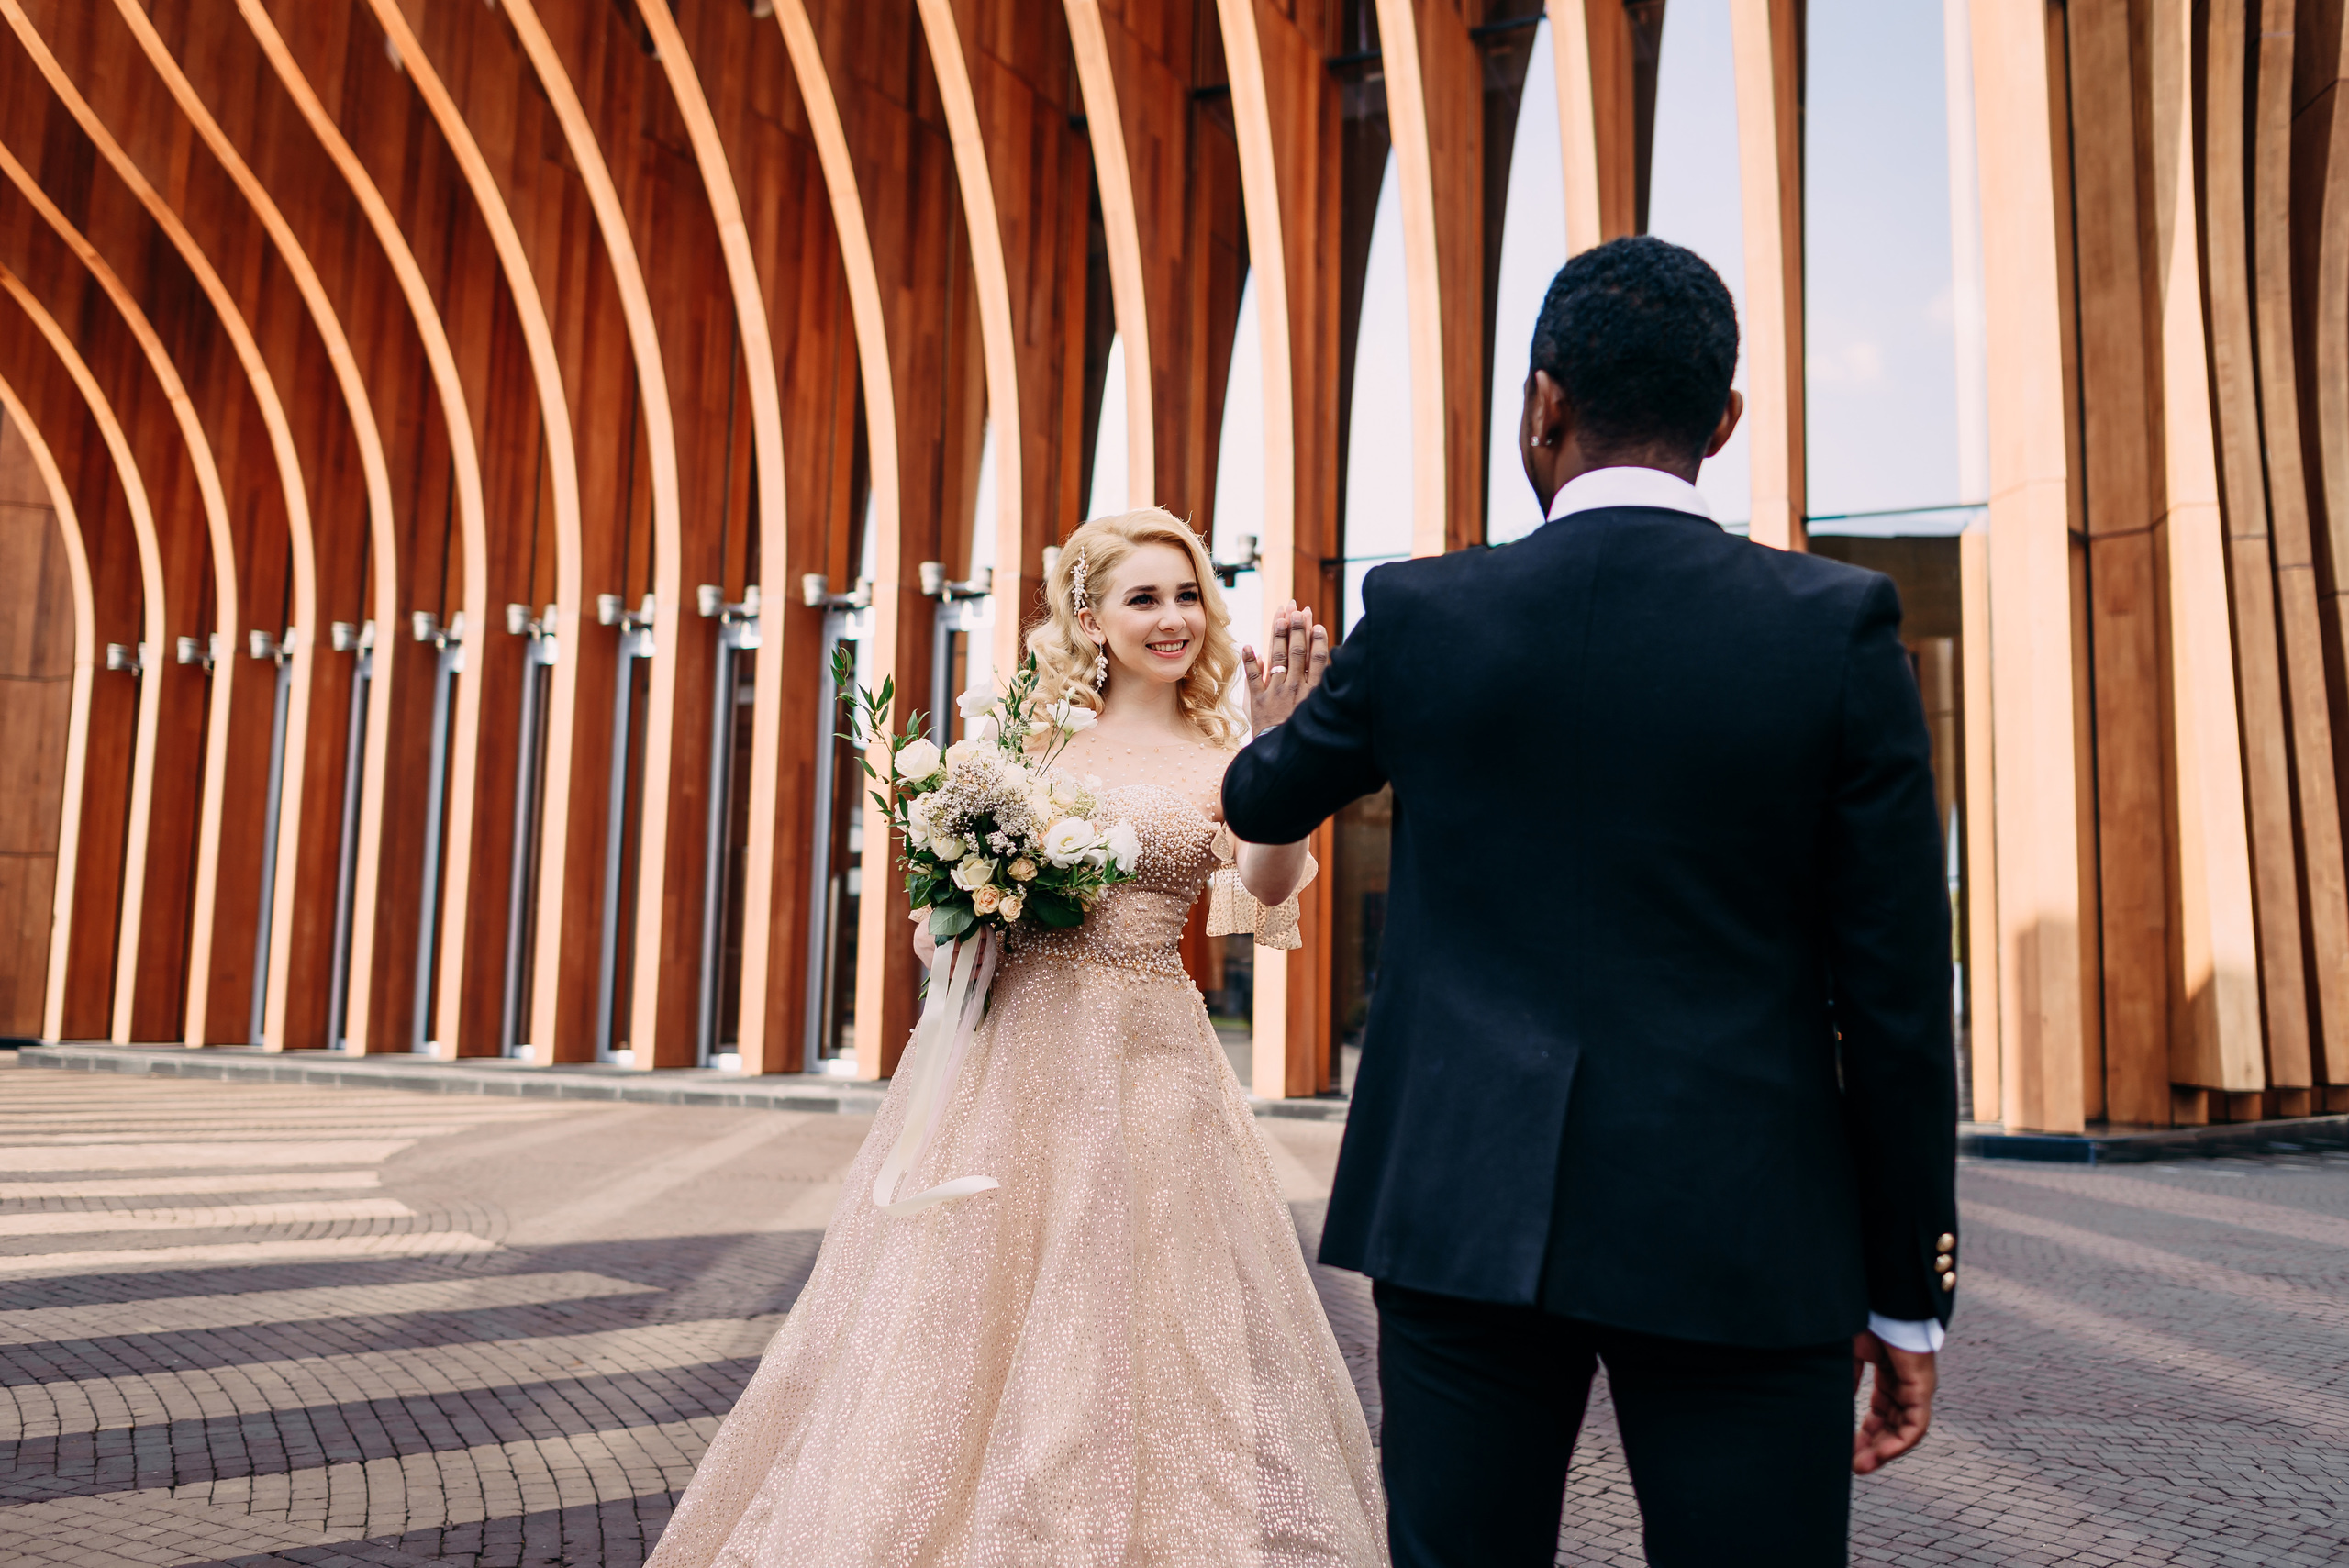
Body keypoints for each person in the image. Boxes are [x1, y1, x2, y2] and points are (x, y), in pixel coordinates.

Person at [1221, 235, 1960, 1567]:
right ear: (1723, 421)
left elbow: (1264, 802)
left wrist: (1277, 720)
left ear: (1542, 402)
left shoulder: (1427, 613)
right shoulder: (1834, 627)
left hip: (1460, 1216)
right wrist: (1909, 1296)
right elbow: (1898, 995)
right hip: (1746, 1229)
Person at [646, 508, 1386, 1567]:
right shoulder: (1025, 738)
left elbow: (1262, 899)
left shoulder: (1228, 751)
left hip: (1148, 1061)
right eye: (1144, 596)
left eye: (1186, 594)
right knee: (961, 1307)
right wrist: (963, 902)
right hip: (1011, 1058)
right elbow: (934, 906)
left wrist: (1284, 754)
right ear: (1088, 614)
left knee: (1150, 1309)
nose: (1173, 617)